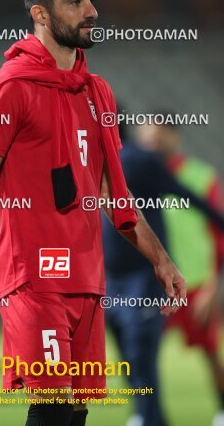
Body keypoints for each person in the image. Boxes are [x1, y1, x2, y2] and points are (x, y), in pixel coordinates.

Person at [0, 0, 186, 426]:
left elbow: (114, 193)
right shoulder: (9, 88)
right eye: (75, 2)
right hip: (34, 280)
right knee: (52, 411)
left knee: (75, 414)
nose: (91, 11)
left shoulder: (97, 93)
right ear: (39, 13)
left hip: (88, 282)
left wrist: (161, 259)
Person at [102, 113, 224, 426]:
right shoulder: (104, 163)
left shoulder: (188, 172)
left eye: (159, 136)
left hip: (185, 281)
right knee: (135, 354)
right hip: (131, 279)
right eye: (150, 137)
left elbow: (207, 213)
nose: (154, 142)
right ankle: (145, 416)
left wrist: (215, 283)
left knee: (204, 352)